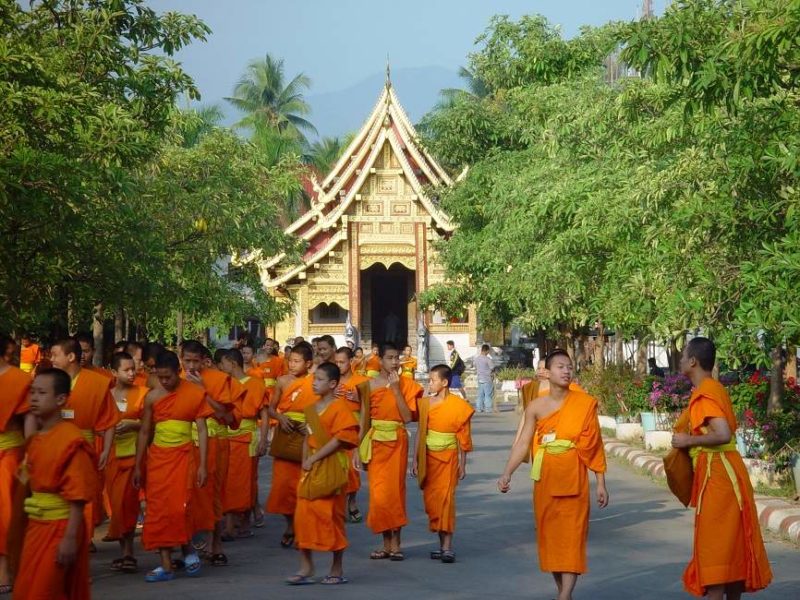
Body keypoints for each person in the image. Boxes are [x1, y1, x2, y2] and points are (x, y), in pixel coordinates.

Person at [498, 350, 609, 600]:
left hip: (575, 480)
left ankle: (565, 595)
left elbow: (595, 444)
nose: (566, 371)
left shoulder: (584, 403)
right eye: (560, 366)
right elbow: (523, 442)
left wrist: (600, 482)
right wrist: (507, 473)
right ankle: (563, 591)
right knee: (550, 539)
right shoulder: (536, 406)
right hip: (546, 480)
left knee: (572, 538)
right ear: (547, 372)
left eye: (569, 367)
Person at [671, 337, 772, 599]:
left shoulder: (706, 392)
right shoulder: (712, 388)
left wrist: (687, 440)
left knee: (715, 547)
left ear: (693, 361)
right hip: (725, 472)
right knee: (731, 546)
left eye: (683, 356)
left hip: (719, 475)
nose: (681, 360)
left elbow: (723, 433)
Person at [13, 368, 97, 599]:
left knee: (46, 590)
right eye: (32, 392)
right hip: (36, 528)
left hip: (60, 528)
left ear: (61, 399)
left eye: (42, 393)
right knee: (27, 589)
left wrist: (70, 538)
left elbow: (78, 495)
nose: (34, 398)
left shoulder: (71, 439)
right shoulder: (37, 439)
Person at [134, 350, 211, 582]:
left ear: (178, 372)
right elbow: (145, 431)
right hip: (158, 458)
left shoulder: (195, 393)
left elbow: (202, 429)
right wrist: (138, 464)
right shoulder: (152, 397)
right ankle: (166, 565)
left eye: (168, 377)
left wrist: (203, 465)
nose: (164, 381)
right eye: (160, 377)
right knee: (158, 509)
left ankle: (188, 549)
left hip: (184, 457)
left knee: (181, 508)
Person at [288, 362, 359, 586]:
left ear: (332, 384)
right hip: (310, 467)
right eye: (314, 379)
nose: (314, 383)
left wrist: (314, 459)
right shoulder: (310, 408)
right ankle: (306, 566)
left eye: (319, 379)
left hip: (331, 466)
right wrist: (304, 464)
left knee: (331, 517)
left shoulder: (340, 408)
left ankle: (336, 568)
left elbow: (340, 439)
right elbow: (306, 441)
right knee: (302, 517)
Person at [50, 337, 121, 548]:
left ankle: (83, 537)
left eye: (55, 355)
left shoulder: (97, 383)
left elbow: (109, 421)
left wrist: (106, 449)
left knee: (83, 494)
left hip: (84, 448)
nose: (51, 359)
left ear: (71, 357)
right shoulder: (49, 381)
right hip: (54, 446)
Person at [359, 342, 423, 561]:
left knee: (395, 492)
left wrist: (396, 390)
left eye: (397, 357)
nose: (394, 362)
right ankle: (385, 544)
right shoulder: (369, 385)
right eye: (389, 358)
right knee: (378, 495)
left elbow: (407, 418)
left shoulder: (406, 384)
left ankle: (396, 545)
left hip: (396, 441)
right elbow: (364, 419)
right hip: (376, 442)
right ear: (380, 360)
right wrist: (358, 449)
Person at [181, 340, 243, 567]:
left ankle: (216, 544)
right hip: (183, 444)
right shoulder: (173, 380)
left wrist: (202, 392)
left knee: (214, 493)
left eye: (195, 361)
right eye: (186, 360)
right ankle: (186, 546)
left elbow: (227, 415)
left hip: (215, 443)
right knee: (185, 496)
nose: (191, 366)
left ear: (204, 361)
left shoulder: (217, 380)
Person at [412, 364, 473, 563]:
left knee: (447, 501)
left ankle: (447, 547)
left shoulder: (459, 406)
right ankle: (441, 545)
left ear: (444, 383)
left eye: (432, 380)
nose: (429, 383)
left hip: (448, 458)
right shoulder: (425, 404)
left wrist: (463, 464)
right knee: (433, 502)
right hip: (429, 457)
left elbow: (463, 437)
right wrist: (415, 459)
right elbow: (420, 433)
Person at [264, 343, 318, 548]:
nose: (292, 365)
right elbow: (269, 408)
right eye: (290, 361)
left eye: (297, 361)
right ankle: (290, 525)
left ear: (308, 363)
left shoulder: (314, 382)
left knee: (304, 486)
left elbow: (323, 408)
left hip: (306, 435)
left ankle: (302, 528)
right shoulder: (282, 381)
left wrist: (310, 424)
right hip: (285, 434)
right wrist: (280, 417)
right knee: (283, 487)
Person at [105, 352, 147, 574]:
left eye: (133, 369)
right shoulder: (106, 395)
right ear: (114, 372)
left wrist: (133, 425)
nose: (132, 373)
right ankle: (123, 551)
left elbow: (152, 425)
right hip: (111, 455)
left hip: (134, 454)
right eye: (126, 370)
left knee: (128, 502)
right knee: (115, 504)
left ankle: (129, 552)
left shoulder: (143, 393)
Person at [220, 349, 267, 540]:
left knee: (246, 480)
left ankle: (243, 521)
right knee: (228, 480)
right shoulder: (225, 383)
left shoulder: (255, 384)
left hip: (246, 436)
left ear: (232, 363)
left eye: (223, 364)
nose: (221, 368)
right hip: (226, 436)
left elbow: (263, 413)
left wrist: (263, 439)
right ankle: (233, 521)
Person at [0, 336, 32, 595]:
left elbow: (28, 421)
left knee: (8, 513)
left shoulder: (20, 380)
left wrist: (33, 453)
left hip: (10, 454)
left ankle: (6, 568)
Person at [333, 347, 371, 523]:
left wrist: (357, 399)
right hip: (334, 429)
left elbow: (367, 410)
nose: (339, 365)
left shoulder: (361, 382)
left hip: (353, 429)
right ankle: (338, 505)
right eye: (337, 362)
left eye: (342, 362)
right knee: (335, 468)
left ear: (351, 362)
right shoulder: (331, 380)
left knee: (352, 470)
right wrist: (331, 394)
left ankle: (352, 501)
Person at [473, 344, 494, 413]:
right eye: (488, 351)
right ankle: (488, 408)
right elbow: (492, 368)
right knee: (488, 394)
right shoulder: (488, 359)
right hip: (487, 379)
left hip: (480, 378)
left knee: (480, 394)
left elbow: (475, 367)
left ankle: (479, 408)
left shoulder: (476, 359)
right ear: (487, 351)